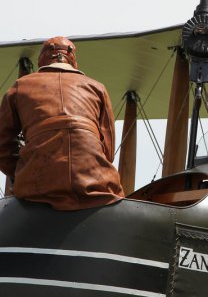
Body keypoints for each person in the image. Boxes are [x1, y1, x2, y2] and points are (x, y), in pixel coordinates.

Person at [0, 36, 124, 210]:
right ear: (73, 61)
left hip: (36, 191)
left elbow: (3, 148)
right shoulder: (98, 88)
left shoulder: (19, 87)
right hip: (99, 189)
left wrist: (24, 170)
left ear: (42, 60)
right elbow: (108, 151)